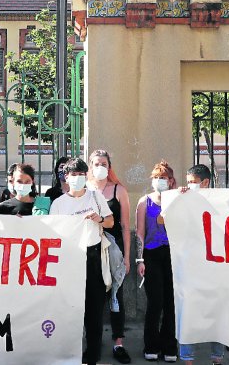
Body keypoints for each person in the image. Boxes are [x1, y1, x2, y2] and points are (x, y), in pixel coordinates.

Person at [50, 158, 113, 365]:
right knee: (71, 309)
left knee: (94, 311)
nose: (77, 179)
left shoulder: (95, 197)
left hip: (93, 257)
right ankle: (72, 352)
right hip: (69, 259)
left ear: (86, 176)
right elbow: (53, 234)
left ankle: (93, 355)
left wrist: (99, 219)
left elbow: (111, 222)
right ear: (66, 177)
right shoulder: (59, 203)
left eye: (81, 175)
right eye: (73, 175)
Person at [177, 164, 226, 365]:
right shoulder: (185, 201)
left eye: (193, 182)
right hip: (191, 266)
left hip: (215, 267)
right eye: (187, 182)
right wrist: (178, 200)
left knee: (218, 313)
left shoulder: (221, 201)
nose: (189, 186)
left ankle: (217, 357)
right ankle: (188, 358)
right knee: (188, 311)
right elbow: (164, 220)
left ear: (205, 182)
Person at [88, 149, 132, 363]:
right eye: (96, 163)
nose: (100, 167)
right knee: (92, 299)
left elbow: (125, 225)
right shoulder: (84, 190)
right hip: (91, 252)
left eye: (103, 163)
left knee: (116, 298)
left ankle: (118, 344)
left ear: (109, 166)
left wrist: (127, 256)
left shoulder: (119, 190)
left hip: (114, 252)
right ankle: (92, 341)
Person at [136, 161, 177, 363]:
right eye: (156, 178)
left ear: (170, 180)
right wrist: (139, 259)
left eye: (164, 178)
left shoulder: (177, 199)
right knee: (156, 302)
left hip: (173, 255)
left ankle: (169, 345)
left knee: (171, 302)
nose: (160, 181)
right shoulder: (145, 202)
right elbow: (140, 234)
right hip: (151, 255)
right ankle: (151, 345)